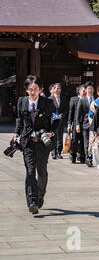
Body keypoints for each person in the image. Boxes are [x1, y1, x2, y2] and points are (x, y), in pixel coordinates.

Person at [12, 75, 60, 215]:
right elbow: (19, 119)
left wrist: (51, 131)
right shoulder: (22, 101)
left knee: (42, 172)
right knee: (30, 171)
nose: (32, 92)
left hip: (43, 143)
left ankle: (40, 195)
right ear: (26, 90)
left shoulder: (48, 103)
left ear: (41, 89)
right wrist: (16, 133)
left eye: (35, 89)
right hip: (27, 142)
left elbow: (56, 119)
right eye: (30, 89)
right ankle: (32, 202)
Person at [75, 82, 96, 167]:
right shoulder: (82, 100)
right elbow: (78, 113)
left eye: (91, 89)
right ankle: (88, 158)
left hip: (95, 124)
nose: (90, 90)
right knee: (86, 141)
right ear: (86, 90)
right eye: (88, 89)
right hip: (85, 123)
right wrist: (77, 124)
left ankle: (95, 158)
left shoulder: (96, 99)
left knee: (94, 142)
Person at [68, 85, 86, 164]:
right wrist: (69, 124)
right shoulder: (74, 99)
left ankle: (82, 157)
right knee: (75, 140)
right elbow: (71, 113)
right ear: (79, 91)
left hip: (85, 123)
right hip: (76, 123)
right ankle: (73, 155)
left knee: (83, 141)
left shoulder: (87, 99)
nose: (85, 92)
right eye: (83, 90)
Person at [50, 83, 68, 160]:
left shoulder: (63, 98)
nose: (58, 90)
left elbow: (66, 109)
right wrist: (54, 116)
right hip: (53, 120)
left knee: (60, 136)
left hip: (61, 120)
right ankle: (53, 152)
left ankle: (59, 152)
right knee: (53, 136)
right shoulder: (50, 99)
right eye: (57, 88)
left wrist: (62, 115)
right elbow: (49, 110)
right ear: (53, 89)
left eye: (59, 88)